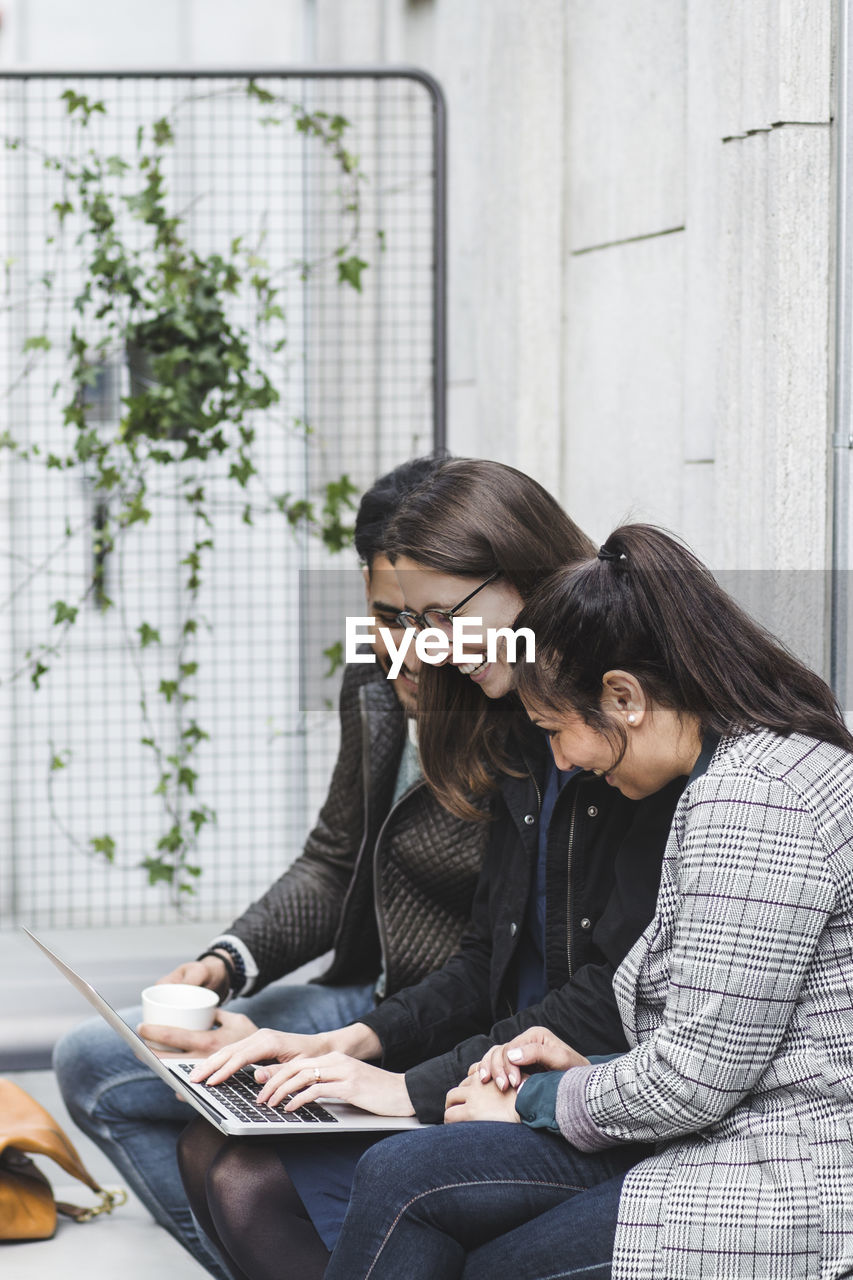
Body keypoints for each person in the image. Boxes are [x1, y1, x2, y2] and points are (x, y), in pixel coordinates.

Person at [177, 463, 684, 1279]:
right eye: (409, 621)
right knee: (224, 1149)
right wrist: (358, 1041)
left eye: (443, 617)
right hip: (490, 1056)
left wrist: (406, 1086)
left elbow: (613, 999)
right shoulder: (518, 721)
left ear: (523, 575)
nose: (426, 648)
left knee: (264, 1172)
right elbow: (483, 950)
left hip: (567, 1085)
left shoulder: (632, 744)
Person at [323, 523, 853, 1280]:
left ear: (623, 697)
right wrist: (586, 1064)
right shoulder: (743, 768)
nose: (563, 761)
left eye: (555, 732)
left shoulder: (752, 803)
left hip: (781, 1181)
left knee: (455, 1229)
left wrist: (542, 1095)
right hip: (725, 1137)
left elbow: (692, 1082)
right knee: (405, 1174)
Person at [52, 455, 491, 1279]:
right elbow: (332, 860)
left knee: (226, 1147)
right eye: (387, 616)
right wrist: (224, 964)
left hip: (441, 1022)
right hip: (373, 988)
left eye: (432, 618)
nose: (407, 648)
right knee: (96, 1065)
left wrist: (338, 1042)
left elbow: (500, 966)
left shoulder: (523, 717)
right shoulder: (377, 677)